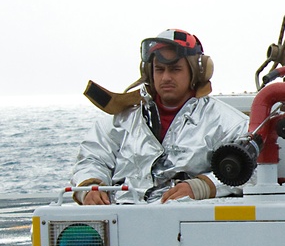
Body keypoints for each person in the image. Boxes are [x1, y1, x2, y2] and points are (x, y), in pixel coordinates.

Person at [72, 29, 248, 204]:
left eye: (175, 69)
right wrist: (90, 188)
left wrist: (203, 186)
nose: (165, 77)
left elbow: (255, 170)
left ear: (196, 72)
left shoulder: (228, 124)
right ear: (149, 72)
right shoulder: (120, 122)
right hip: (122, 220)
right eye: (159, 69)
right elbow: (92, 159)